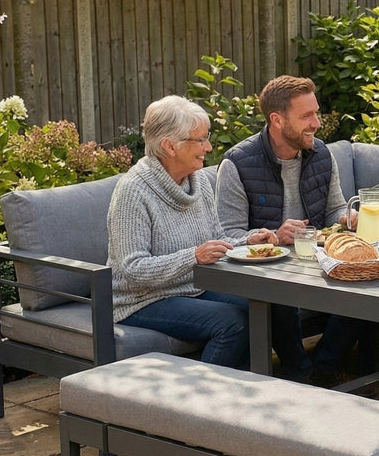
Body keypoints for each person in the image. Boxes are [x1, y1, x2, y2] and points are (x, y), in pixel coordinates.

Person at [216, 75, 375, 385]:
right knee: (279, 298)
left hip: (314, 262)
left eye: (315, 113)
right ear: (277, 119)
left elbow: (333, 209)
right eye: (306, 116)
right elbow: (226, 235)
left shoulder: (321, 154)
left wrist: (348, 217)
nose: (316, 123)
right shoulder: (237, 164)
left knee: (366, 283)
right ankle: (300, 372)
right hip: (265, 274)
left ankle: (321, 371)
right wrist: (273, 235)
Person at [108, 95, 273, 368]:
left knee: (261, 305)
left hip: (193, 288)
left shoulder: (198, 181)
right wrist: (194, 257)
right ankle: (197, 405)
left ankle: (247, 390)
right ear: (169, 146)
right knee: (232, 323)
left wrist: (249, 240)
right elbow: (133, 268)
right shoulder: (134, 191)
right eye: (200, 140)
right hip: (140, 300)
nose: (208, 147)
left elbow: (215, 239)